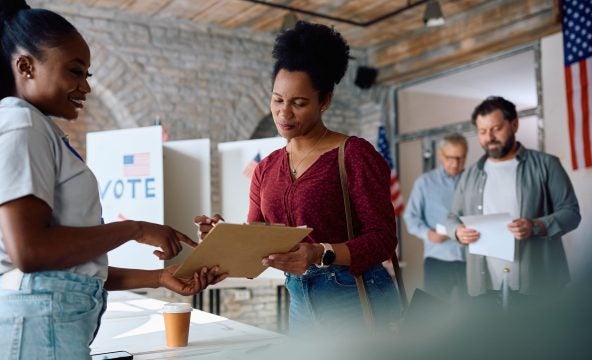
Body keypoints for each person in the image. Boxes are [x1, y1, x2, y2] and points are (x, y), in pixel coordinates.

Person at [0, 1, 225, 358]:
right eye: (75, 71)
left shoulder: (31, 128)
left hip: (32, 326)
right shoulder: (21, 126)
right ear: (25, 66)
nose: (85, 86)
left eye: (87, 75)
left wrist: (159, 277)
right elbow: (31, 252)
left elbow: (69, 268)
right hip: (31, 328)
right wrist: (135, 229)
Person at [197, 21, 401, 332]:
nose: (284, 113)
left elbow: (383, 239)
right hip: (300, 302)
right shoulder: (266, 168)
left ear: (325, 100)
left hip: (356, 298)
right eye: (278, 100)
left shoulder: (354, 154)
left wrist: (320, 253)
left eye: (299, 103)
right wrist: (224, 240)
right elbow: (259, 237)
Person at [447, 96, 580, 306]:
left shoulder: (547, 164)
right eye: (482, 132)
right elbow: (452, 217)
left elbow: (571, 213)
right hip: (484, 285)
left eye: (496, 128)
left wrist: (536, 225)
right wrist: (457, 231)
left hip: (539, 284)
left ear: (514, 124)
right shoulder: (470, 174)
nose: (489, 137)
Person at [404, 133, 468, 302]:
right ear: (440, 155)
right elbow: (410, 217)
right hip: (438, 259)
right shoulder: (424, 183)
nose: (455, 164)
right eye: (450, 158)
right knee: (435, 312)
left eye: (461, 158)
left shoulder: (473, 180)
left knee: (474, 313)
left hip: (471, 259)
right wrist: (428, 234)